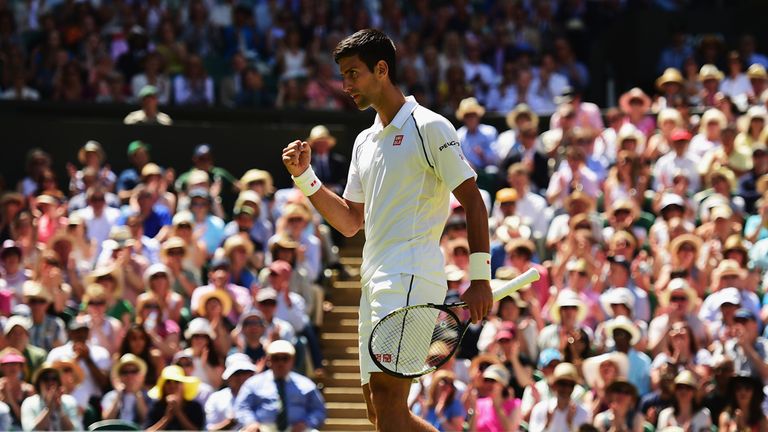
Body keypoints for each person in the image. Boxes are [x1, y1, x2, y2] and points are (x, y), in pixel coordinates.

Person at [281, 29, 493, 431]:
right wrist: (304, 176)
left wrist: (480, 277)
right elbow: (349, 221)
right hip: (375, 280)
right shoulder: (364, 141)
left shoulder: (431, 127)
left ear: (382, 70)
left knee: (389, 404)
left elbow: (474, 202)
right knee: (380, 411)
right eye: (342, 76)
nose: (346, 86)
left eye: (353, 74)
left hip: (410, 276)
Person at [234, 340, 326, 432]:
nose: (280, 363)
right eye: (276, 358)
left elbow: (319, 410)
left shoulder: (306, 385)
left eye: (285, 358)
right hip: (263, 428)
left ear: (292, 360)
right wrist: (251, 422)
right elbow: (242, 407)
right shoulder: (253, 383)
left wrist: (306, 423)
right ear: (268, 360)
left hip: (296, 429)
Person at [20, 362, 81, 431]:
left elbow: (75, 430)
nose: (50, 382)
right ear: (38, 382)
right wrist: (48, 409)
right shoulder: (29, 403)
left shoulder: (69, 401)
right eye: (45, 379)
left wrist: (59, 409)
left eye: (54, 378)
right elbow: (29, 430)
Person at [529, 362, 590, 431]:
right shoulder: (540, 409)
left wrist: (570, 424)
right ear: (554, 385)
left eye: (571, 385)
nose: (567, 389)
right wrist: (547, 424)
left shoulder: (583, 412)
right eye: (562, 384)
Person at [204, 354, 257, 430]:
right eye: (236, 374)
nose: (241, 378)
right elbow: (209, 430)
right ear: (228, 377)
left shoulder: (262, 397)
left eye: (245, 372)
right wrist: (230, 422)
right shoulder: (216, 398)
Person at [144, 365, 205, 431]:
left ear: (183, 386)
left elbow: (197, 430)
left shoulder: (194, 407)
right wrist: (167, 418)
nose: (172, 385)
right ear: (163, 386)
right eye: (168, 382)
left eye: (176, 382)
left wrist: (178, 413)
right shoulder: (156, 406)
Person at [101, 354, 151, 425]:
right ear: (120, 376)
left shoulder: (147, 396)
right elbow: (106, 420)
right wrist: (118, 396)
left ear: (140, 375)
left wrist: (137, 394)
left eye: (134, 371)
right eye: (125, 372)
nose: (129, 376)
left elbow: (148, 419)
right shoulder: (111, 396)